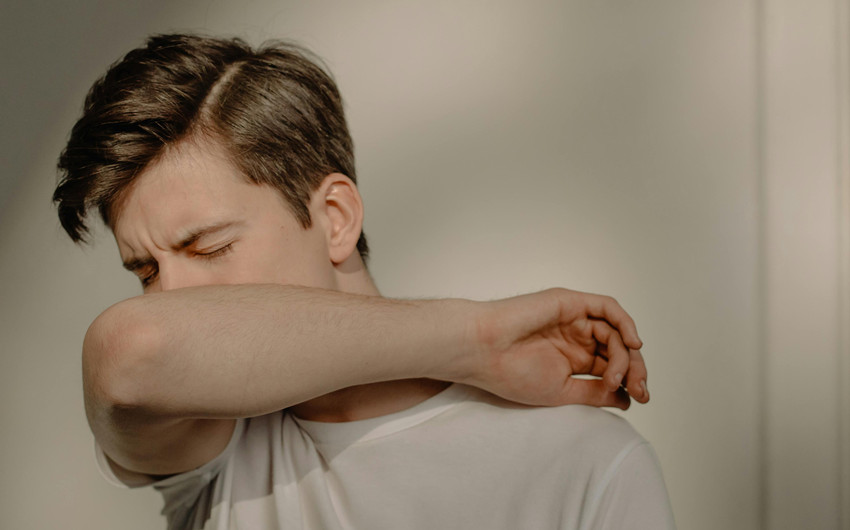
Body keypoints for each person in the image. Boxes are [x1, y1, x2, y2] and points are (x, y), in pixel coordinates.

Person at [53, 34, 675, 529]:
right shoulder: (210, 443)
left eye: (209, 247)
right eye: (146, 271)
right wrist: (477, 337)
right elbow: (130, 351)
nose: (170, 299)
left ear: (336, 218)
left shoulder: (581, 459)